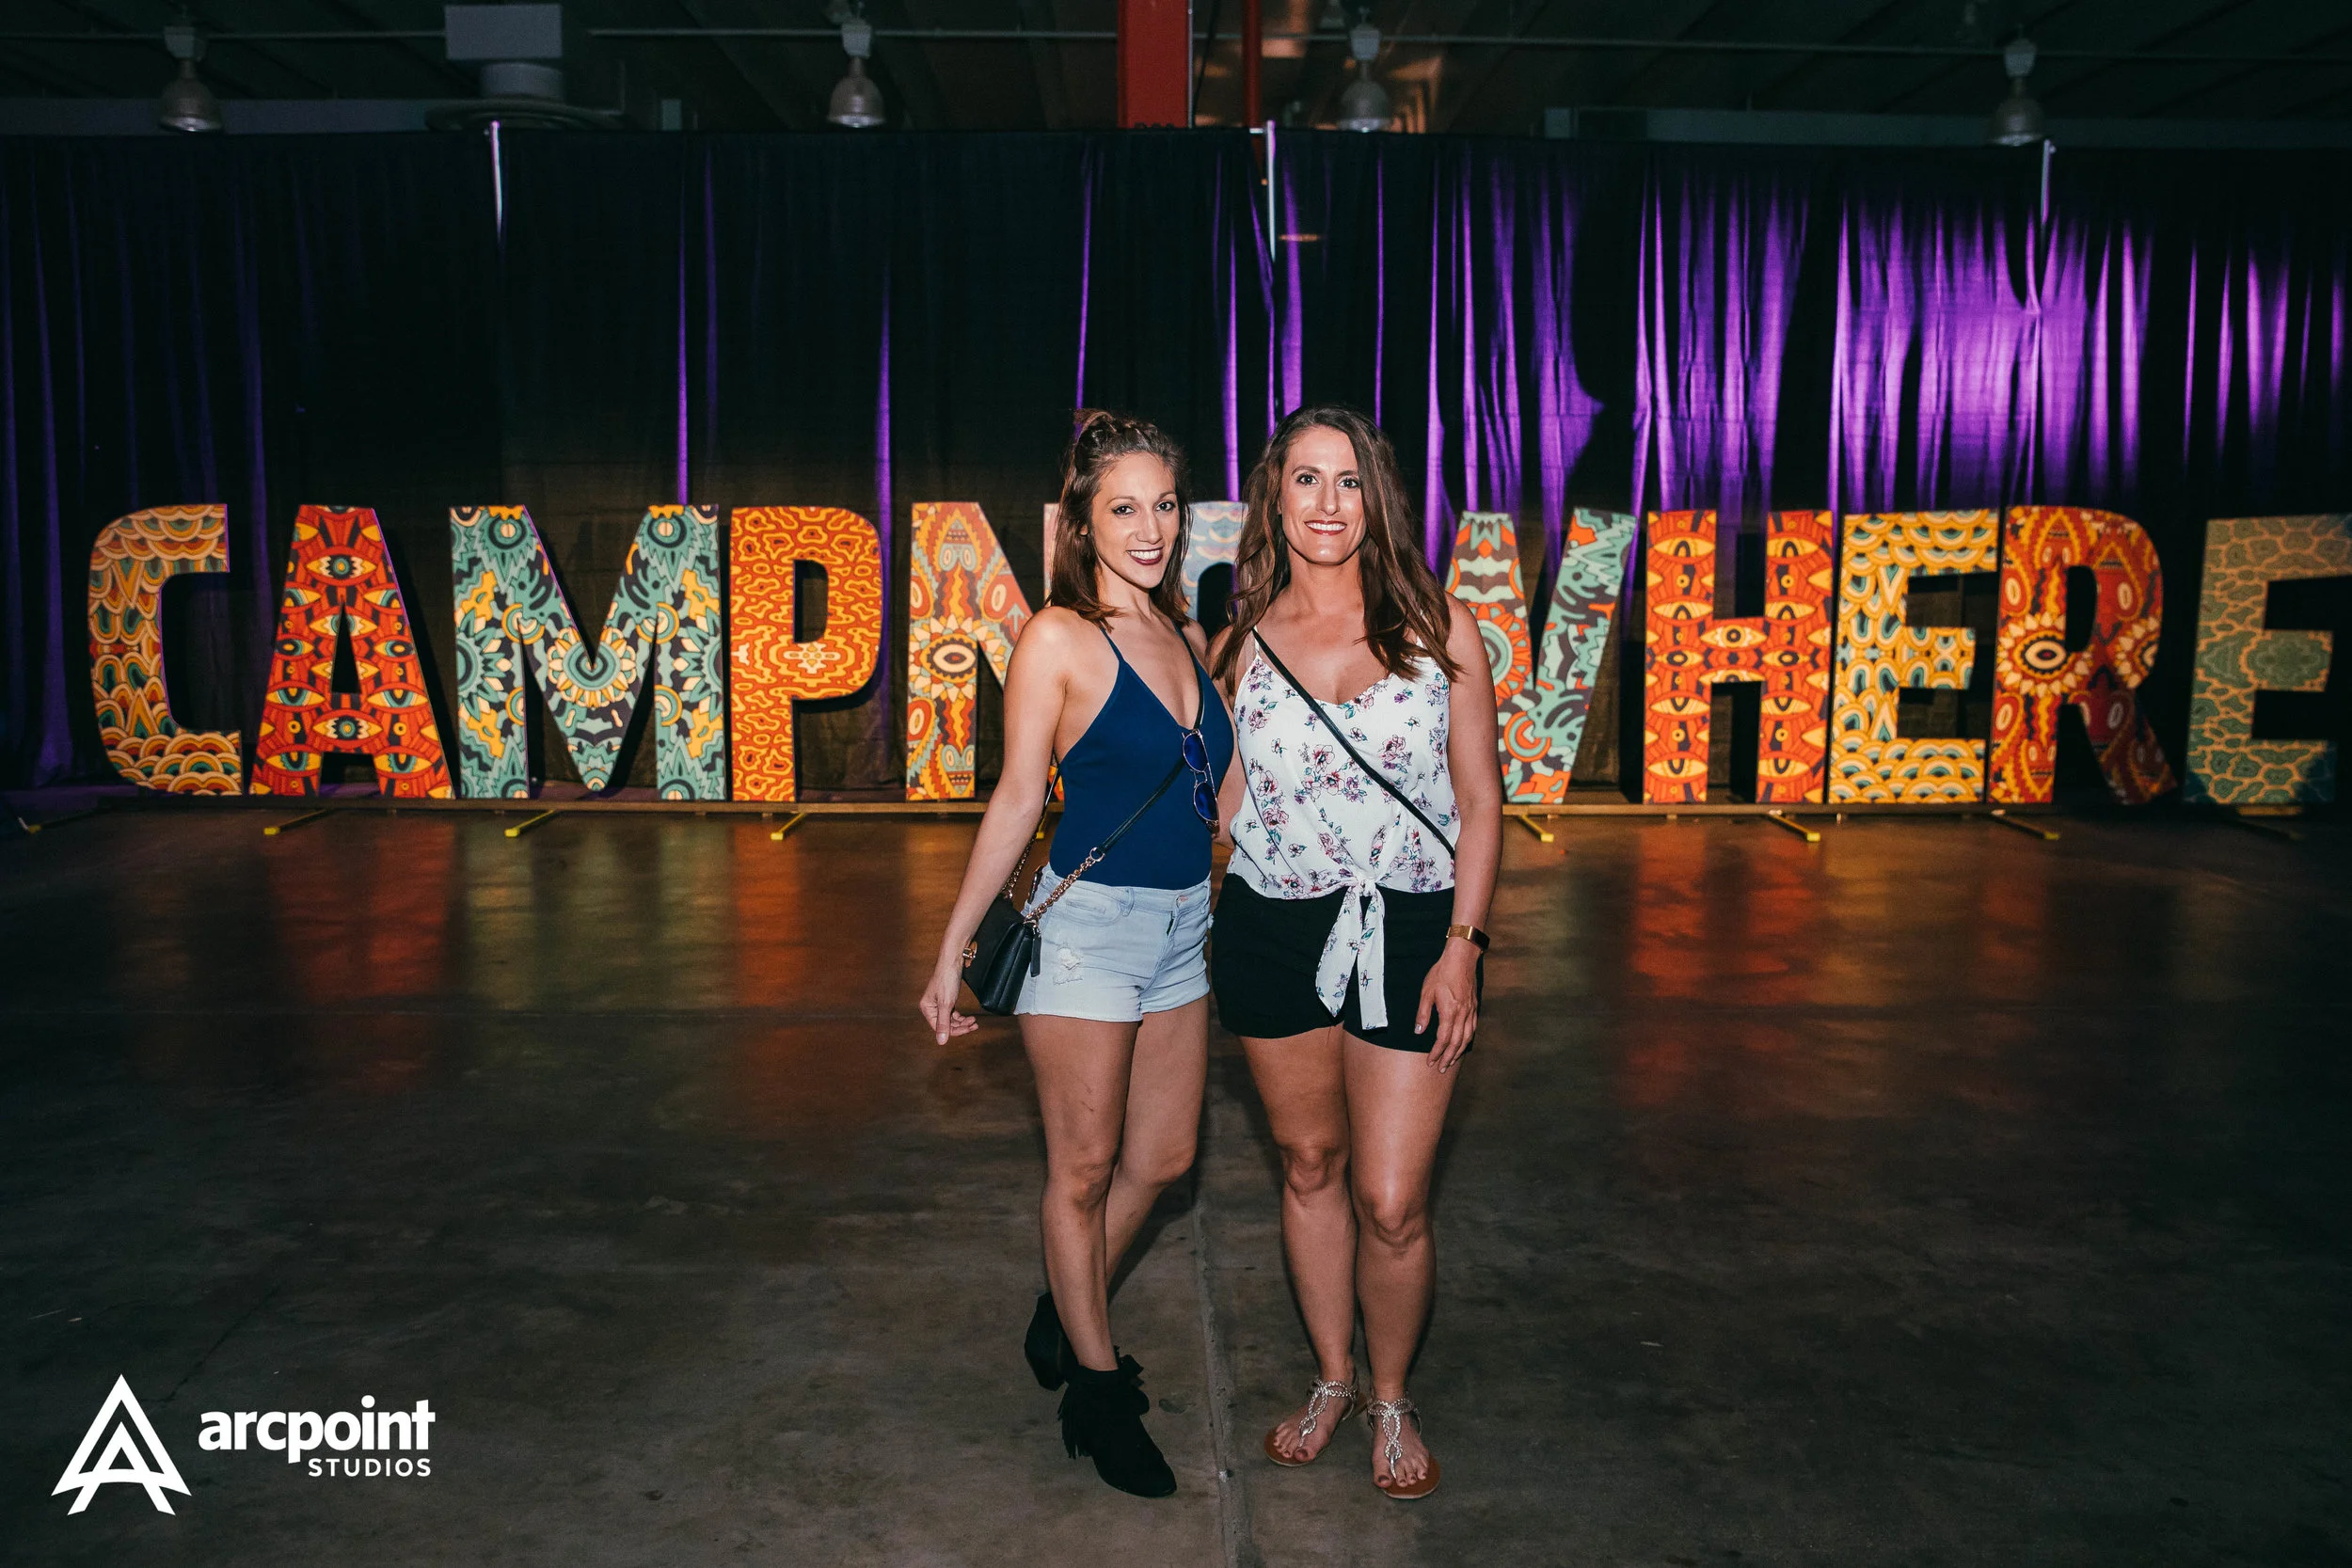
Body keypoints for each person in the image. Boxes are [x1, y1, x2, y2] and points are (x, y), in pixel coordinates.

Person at [919, 411, 1234, 1498]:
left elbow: (1216, 792)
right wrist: (953, 944)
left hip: (1186, 928)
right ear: (1081, 522)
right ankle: (1097, 1398)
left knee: (1164, 1159)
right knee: (1085, 1167)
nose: (1150, 527)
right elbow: (1016, 798)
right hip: (1087, 931)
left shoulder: (1189, 634)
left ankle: (1067, 1299)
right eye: (1124, 507)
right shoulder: (1059, 635)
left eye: (1164, 504)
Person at [1208, 405, 1502, 1501]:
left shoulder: (1438, 628)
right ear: (1273, 500)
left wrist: (1464, 948)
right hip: (1272, 927)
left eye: (1347, 481)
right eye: (1304, 481)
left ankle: (1392, 1392)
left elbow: (1480, 801)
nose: (1327, 503)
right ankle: (1332, 1377)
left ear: (1376, 496)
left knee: (1390, 1196)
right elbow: (1226, 812)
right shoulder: (1236, 644)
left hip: (1415, 928)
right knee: (1309, 1166)